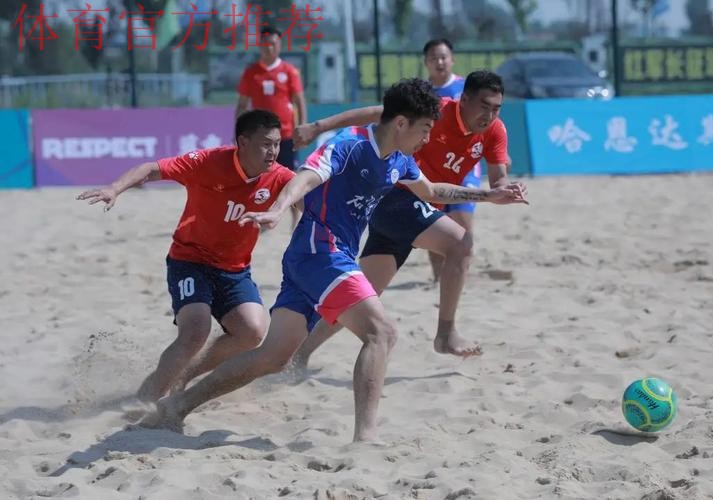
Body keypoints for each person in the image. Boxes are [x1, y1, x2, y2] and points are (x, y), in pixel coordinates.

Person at [139, 79, 527, 442]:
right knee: (381, 333)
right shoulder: (349, 144)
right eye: (425, 129)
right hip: (320, 251)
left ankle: (177, 405)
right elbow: (307, 176)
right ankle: (366, 439)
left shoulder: (400, 159)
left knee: (272, 357)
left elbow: (430, 190)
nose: (428, 138)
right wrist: (278, 209)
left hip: (316, 258)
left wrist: (488, 196)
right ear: (401, 123)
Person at [290, 70, 515, 373]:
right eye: (484, 106)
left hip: (412, 203)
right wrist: (318, 126)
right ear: (464, 100)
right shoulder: (436, 110)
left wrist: (503, 190)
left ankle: (298, 355)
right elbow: (378, 114)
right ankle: (446, 333)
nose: (489, 115)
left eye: (496, 108)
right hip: (395, 195)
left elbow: (496, 179)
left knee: (359, 296)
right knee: (461, 243)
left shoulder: (495, 130)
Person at [77, 110, 295, 404]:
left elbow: (306, 192)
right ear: (243, 142)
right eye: (266, 144)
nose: (273, 152)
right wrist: (114, 188)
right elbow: (151, 169)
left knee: (252, 332)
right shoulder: (209, 162)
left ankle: (185, 374)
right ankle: (145, 401)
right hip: (191, 260)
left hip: (234, 270)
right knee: (195, 331)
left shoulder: (280, 176)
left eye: (277, 144)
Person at [422, 38, 484, 282]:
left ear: (452, 59)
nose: (439, 62)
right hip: (431, 168)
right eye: (434, 58)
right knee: (433, 225)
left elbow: (488, 123)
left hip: (464, 166)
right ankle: (439, 277)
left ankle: (460, 275)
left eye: (443, 57)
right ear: (426, 62)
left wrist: (499, 154)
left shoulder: (467, 90)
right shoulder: (422, 93)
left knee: (461, 225)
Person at [235, 26, 307, 171]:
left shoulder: (289, 71)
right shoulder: (251, 73)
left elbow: (299, 102)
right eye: (265, 44)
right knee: (261, 176)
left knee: (287, 176)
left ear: (279, 45)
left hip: (285, 136)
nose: (269, 48)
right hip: (259, 136)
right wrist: (240, 131)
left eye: (273, 44)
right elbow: (242, 105)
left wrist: (303, 128)